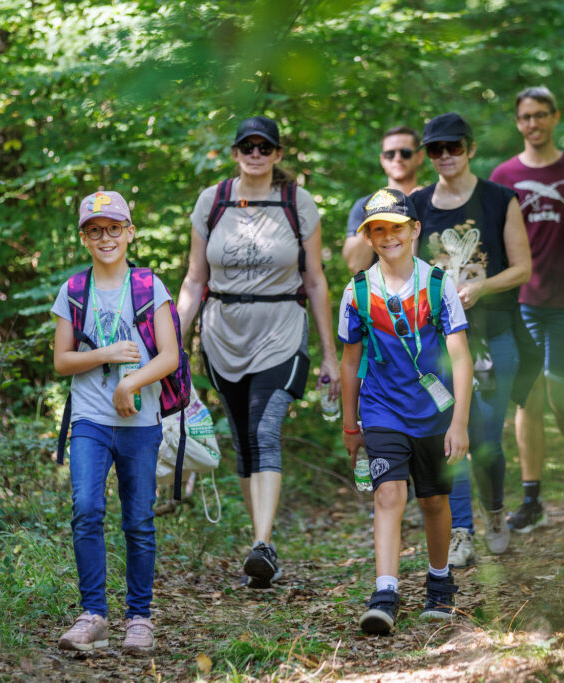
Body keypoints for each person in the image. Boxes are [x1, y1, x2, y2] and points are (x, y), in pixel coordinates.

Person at [176, 116, 340, 589]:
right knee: (245, 438)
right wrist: (168, 343)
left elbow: (315, 280)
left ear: (277, 154)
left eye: (264, 146)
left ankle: (263, 544)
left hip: (282, 333)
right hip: (222, 336)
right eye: (246, 145)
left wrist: (329, 354)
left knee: (266, 429)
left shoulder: (297, 202)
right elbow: (194, 279)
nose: (255, 153)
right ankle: (260, 547)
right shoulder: (213, 201)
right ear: (234, 152)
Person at [339, 188, 473, 635]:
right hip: (381, 410)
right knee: (388, 495)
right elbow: (350, 362)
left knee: (434, 500)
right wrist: (350, 423)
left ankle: (439, 583)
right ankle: (386, 592)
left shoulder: (438, 284)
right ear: (369, 237)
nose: (387, 237)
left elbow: (460, 357)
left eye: (395, 227)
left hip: (434, 413)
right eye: (377, 229)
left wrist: (460, 423)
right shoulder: (357, 291)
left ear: (415, 229)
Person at [52, 191, 180, 653]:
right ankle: (93, 615)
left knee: (139, 520)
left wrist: (130, 384)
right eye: (94, 230)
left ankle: (139, 618)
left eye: (113, 228)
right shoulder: (73, 290)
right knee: (86, 509)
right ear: (83, 237)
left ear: (130, 232)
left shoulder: (149, 286)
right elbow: (62, 361)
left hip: (140, 423)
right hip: (89, 418)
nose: (105, 237)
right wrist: (105, 355)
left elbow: (169, 355)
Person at [489, 86, 564, 533]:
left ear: (555, 116)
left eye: (541, 115)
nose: (533, 124)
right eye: (525, 117)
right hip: (521, 305)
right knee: (528, 400)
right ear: (517, 122)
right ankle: (533, 499)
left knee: (562, 400)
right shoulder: (503, 175)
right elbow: (496, 246)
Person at [413, 112, 532, 560]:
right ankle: (461, 530)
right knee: (448, 434)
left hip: (492, 336)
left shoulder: (501, 199)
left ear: (471, 148)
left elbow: (523, 267)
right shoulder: (418, 203)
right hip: (436, 342)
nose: (445, 156)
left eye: (454, 147)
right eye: (436, 149)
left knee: (483, 438)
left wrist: (480, 286)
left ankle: (495, 510)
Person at [342, 126, 426, 273]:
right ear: (382, 159)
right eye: (390, 154)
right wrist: (376, 211)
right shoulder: (365, 204)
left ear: (419, 157)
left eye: (405, 153)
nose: (397, 158)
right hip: (379, 293)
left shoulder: (433, 201)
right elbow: (355, 265)